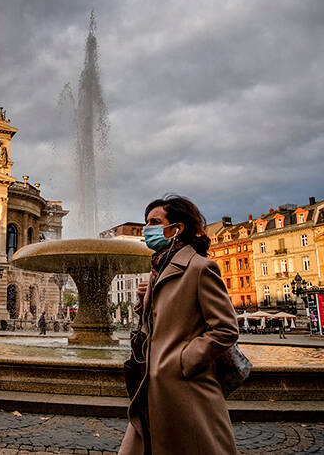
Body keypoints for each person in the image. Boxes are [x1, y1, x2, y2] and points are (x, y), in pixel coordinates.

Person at [119, 195, 239, 455]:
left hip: (185, 388)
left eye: (154, 221)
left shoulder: (200, 268)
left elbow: (225, 328)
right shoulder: (158, 270)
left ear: (176, 228)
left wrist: (183, 360)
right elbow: (159, 325)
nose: (147, 229)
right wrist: (144, 302)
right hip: (152, 385)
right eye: (146, 222)